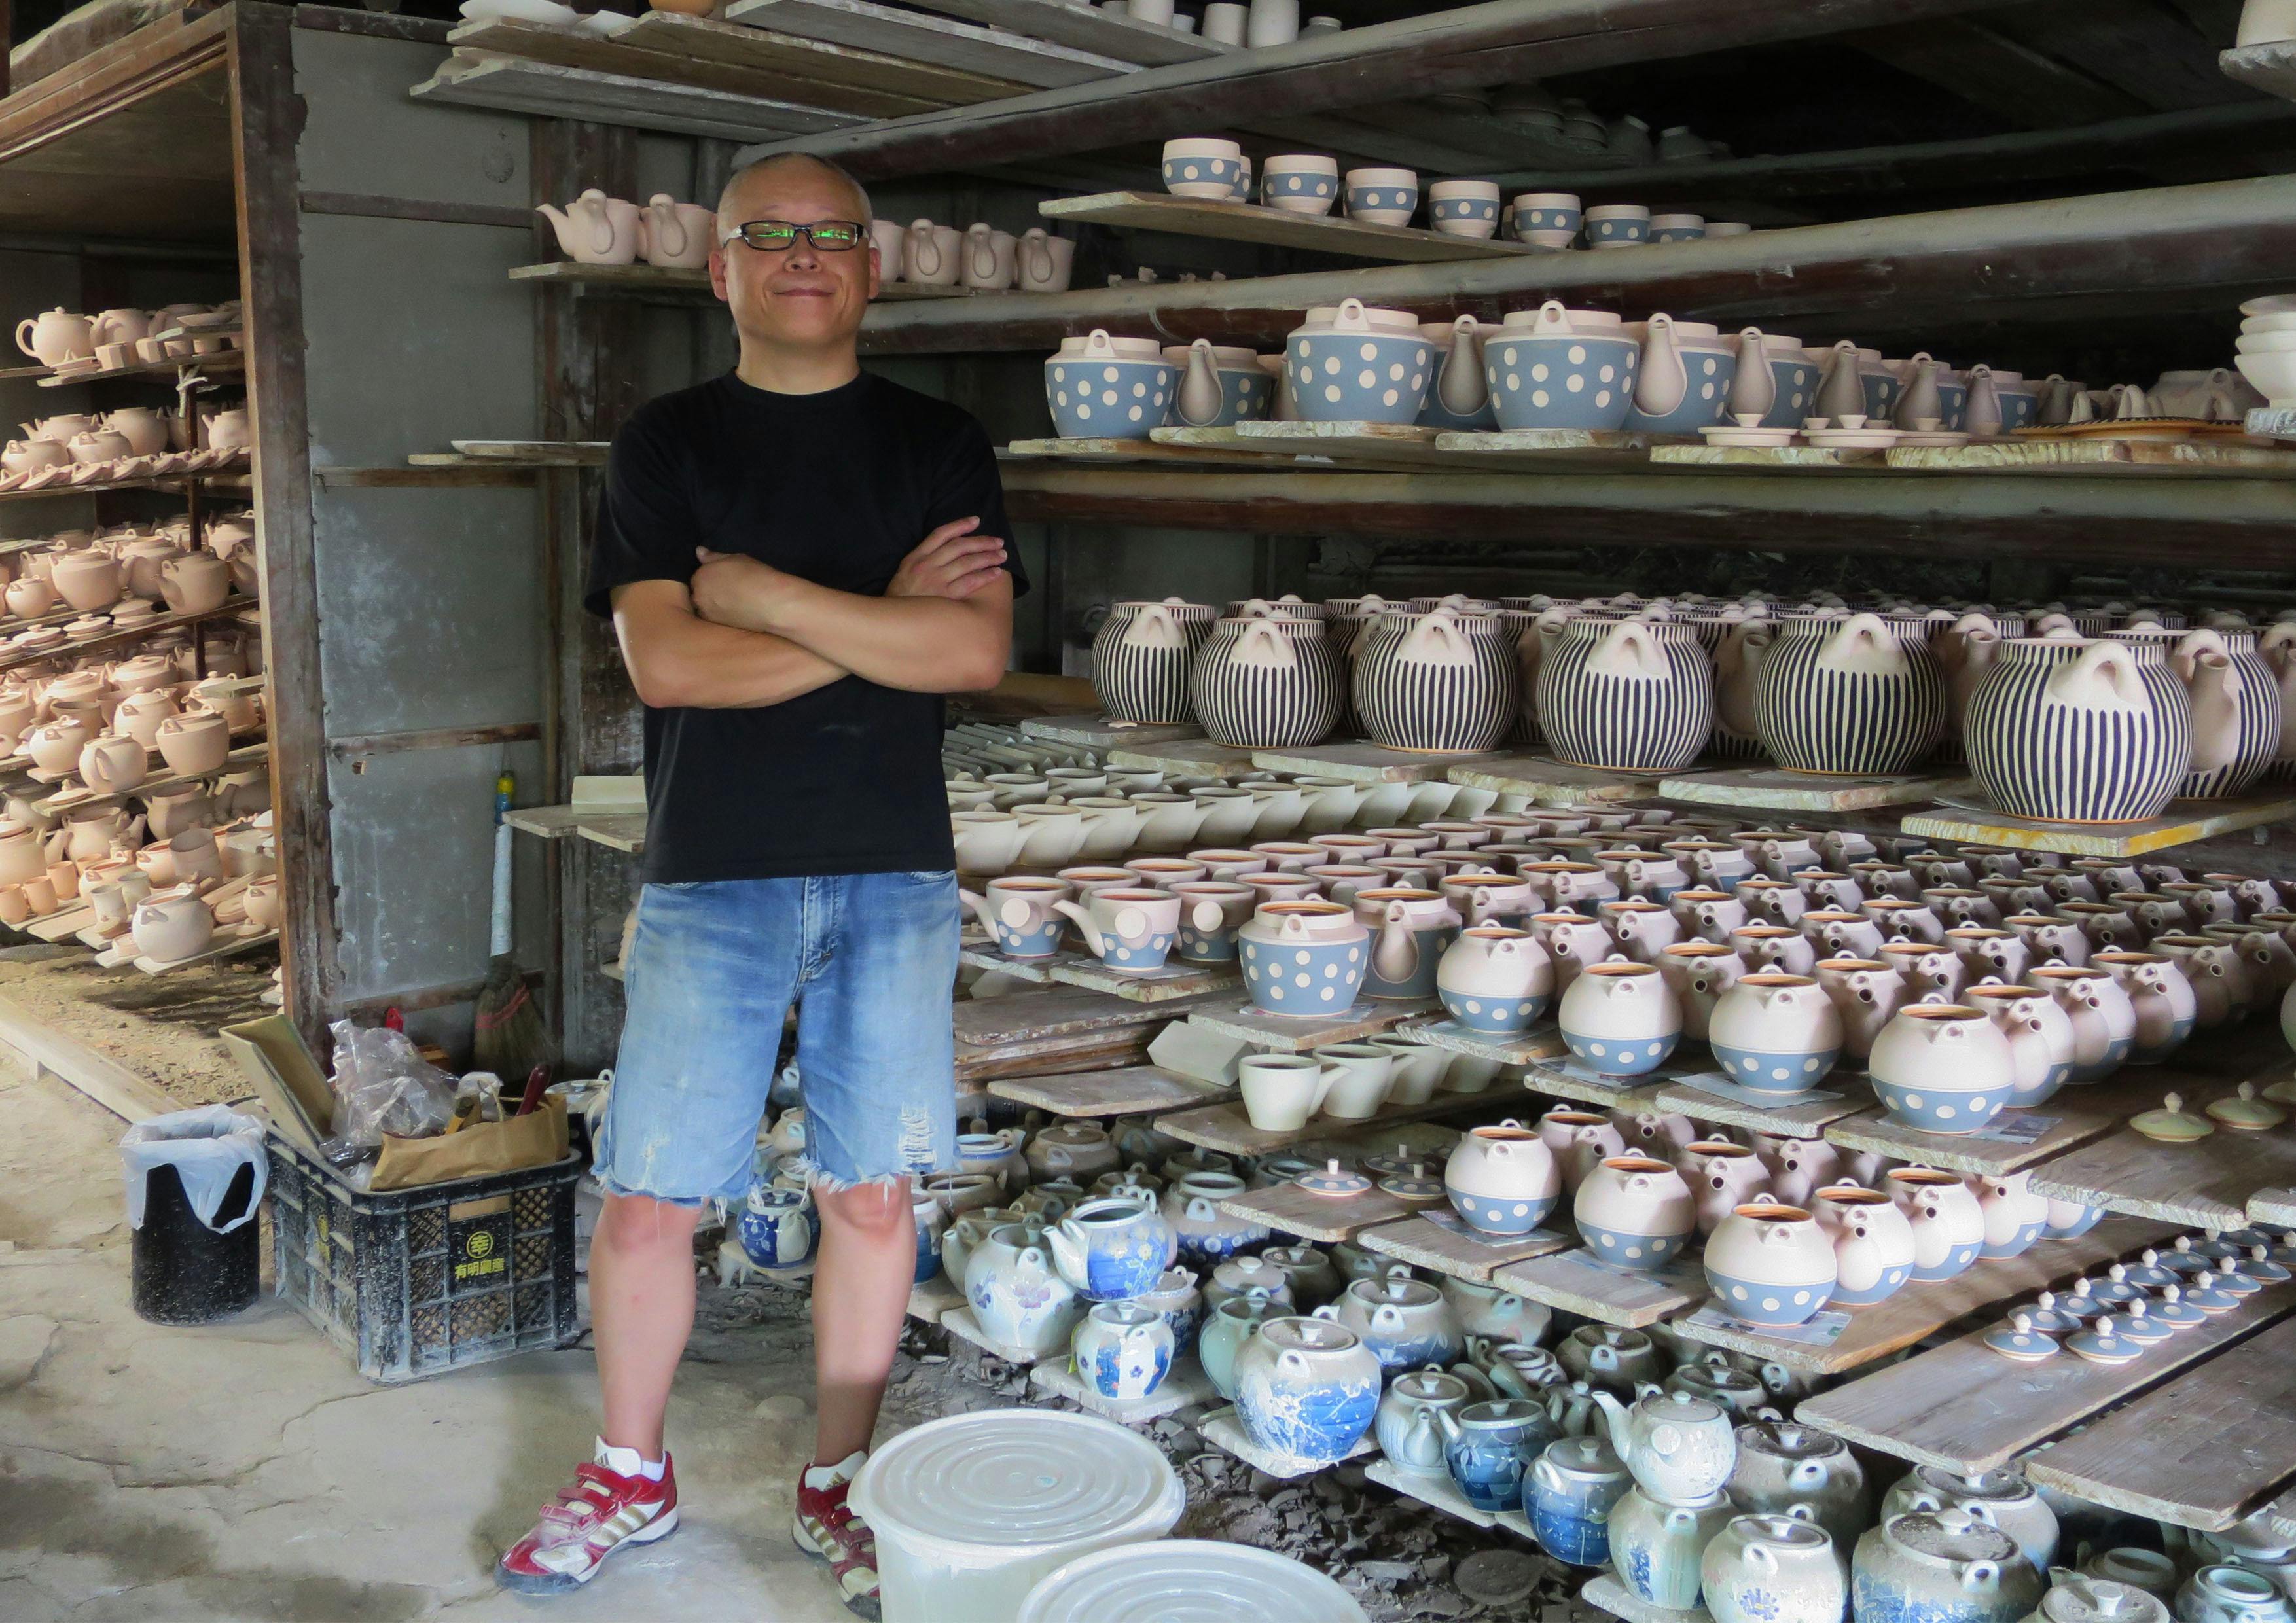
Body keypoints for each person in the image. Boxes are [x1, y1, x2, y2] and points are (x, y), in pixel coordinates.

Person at [495, 151, 1021, 1620]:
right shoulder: (667, 445)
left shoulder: (938, 443)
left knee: (872, 1197)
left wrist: (771, 600)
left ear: (872, 266)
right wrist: (879, 624)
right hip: (713, 874)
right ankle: (629, 1470)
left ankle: (839, 1479)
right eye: (768, 234)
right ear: (718, 268)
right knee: (651, 1199)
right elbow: (670, 666)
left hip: (890, 872)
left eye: (831, 234)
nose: (802, 255)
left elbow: (971, 653)